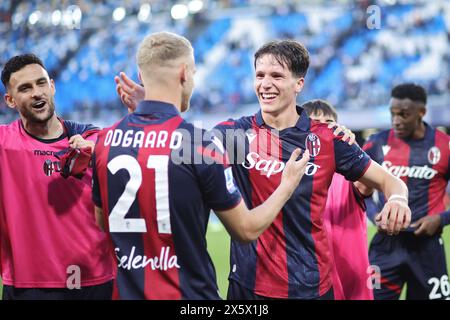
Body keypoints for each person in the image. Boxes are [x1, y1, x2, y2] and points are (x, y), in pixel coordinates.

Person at [115, 39, 411, 300]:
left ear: (299, 84)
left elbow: (390, 182)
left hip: (312, 288)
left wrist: (397, 199)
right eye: (259, 75)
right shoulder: (234, 136)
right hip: (247, 288)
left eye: (276, 76)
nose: (265, 84)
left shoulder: (327, 138)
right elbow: (173, 148)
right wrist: (151, 109)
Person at [92, 31, 311, 300]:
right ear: (184, 73)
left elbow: (102, 221)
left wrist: (146, 110)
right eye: (194, 73)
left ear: (141, 75)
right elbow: (246, 230)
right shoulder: (199, 146)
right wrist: (286, 186)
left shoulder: (106, 141)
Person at [0, 53, 114, 299]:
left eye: (41, 83)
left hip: (95, 281)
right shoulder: (3, 143)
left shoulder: (93, 138)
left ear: (52, 86)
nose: (36, 93)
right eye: (25, 88)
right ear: (10, 100)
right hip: (30, 287)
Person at [363, 83, 450, 300]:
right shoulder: (376, 143)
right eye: (392, 114)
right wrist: (375, 216)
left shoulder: (445, 146)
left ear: (422, 112)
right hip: (386, 246)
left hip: (427, 247)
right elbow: (358, 192)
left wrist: (441, 219)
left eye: (403, 114)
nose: (396, 120)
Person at [302, 99, 374, 300]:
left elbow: (368, 183)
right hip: (310, 275)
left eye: (329, 123)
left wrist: (353, 148)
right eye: (315, 122)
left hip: (351, 277)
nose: (323, 128)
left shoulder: (350, 174)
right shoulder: (292, 171)